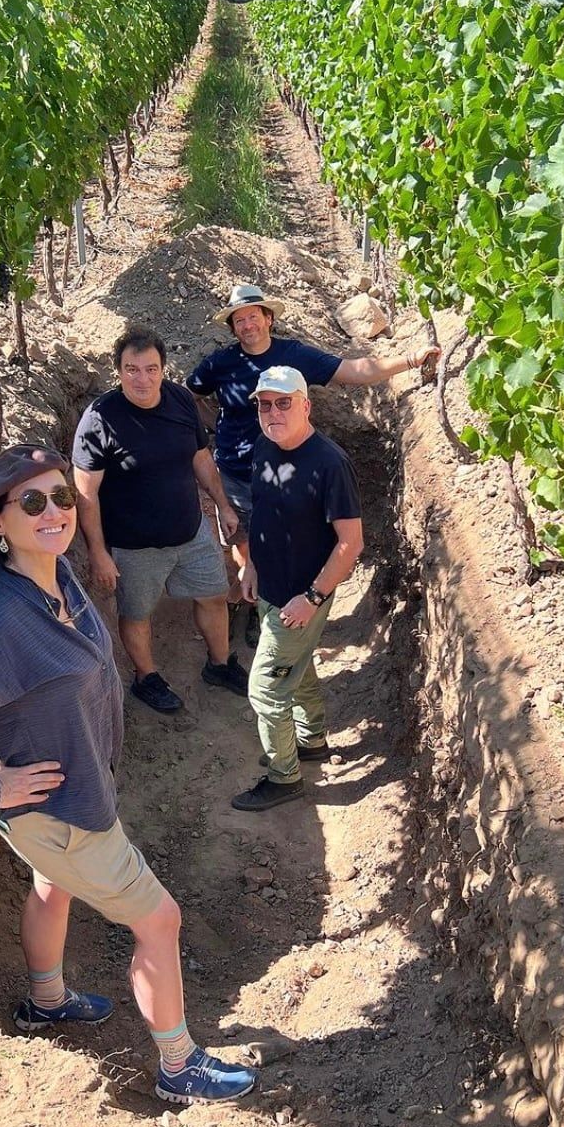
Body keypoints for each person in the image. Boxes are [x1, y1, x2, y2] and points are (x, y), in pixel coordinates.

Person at [0, 443, 257, 1105]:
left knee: (51, 889)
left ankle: (46, 1001)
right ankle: (179, 1065)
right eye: (30, 502)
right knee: (160, 922)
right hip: (63, 815)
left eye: (61, 497)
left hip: (71, 799)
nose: (53, 511)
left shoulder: (57, 578)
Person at [186, 284, 436, 647]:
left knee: (281, 541)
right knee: (245, 545)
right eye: (239, 320)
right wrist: (211, 423)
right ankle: (254, 602)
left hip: (286, 473)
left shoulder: (293, 356)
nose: (247, 325)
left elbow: (355, 371)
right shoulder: (220, 364)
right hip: (236, 473)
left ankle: (284, 610)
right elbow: (189, 393)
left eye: (253, 316)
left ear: (268, 319)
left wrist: (410, 360)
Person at [72, 325, 248, 715]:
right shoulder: (99, 420)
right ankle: (146, 677)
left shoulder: (181, 401)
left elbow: (201, 458)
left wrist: (223, 504)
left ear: (163, 369)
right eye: (132, 369)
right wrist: (99, 553)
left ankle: (219, 664)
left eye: (151, 369)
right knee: (137, 614)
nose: (143, 379)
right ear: (117, 370)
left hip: (191, 532)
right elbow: (86, 495)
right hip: (135, 546)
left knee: (215, 595)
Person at [234, 367, 364, 813]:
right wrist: (250, 563)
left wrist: (312, 598)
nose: (273, 412)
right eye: (265, 404)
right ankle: (312, 742)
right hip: (270, 587)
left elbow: (351, 543)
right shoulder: (264, 446)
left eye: (283, 402)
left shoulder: (330, 463)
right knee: (298, 665)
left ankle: (284, 776)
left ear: (306, 405)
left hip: (301, 597)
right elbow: (262, 511)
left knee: (266, 691)